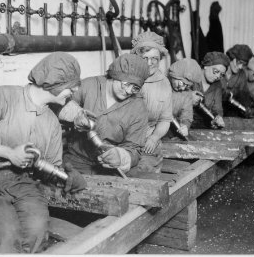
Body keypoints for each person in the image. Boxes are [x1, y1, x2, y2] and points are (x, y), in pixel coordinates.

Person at [0, 52, 87, 253]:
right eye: (71, 85)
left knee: (36, 230)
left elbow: (49, 166)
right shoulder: (3, 97)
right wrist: (9, 153)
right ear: (53, 83)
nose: (76, 89)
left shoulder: (51, 121)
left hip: (21, 181)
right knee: (4, 238)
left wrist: (67, 176)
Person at [63, 53, 150, 176]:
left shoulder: (138, 107)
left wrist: (121, 156)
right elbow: (59, 103)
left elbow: (135, 148)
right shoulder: (89, 86)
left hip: (108, 168)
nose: (129, 91)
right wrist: (75, 114)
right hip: (76, 160)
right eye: (127, 84)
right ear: (115, 75)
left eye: (135, 87)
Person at [129, 31, 172, 173]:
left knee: (146, 172)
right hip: (125, 139)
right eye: (144, 58)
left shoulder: (164, 83)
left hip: (149, 141)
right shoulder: (126, 78)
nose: (149, 63)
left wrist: (154, 138)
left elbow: (165, 119)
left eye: (154, 59)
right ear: (136, 57)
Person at [192, 52, 230, 129]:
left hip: (202, 126)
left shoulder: (217, 85)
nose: (217, 76)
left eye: (221, 74)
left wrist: (217, 118)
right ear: (206, 66)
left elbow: (217, 109)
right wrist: (188, 97)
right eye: (216, 71)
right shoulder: (191, 76)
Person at [167, 58, 203, 138]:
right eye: (182, 83)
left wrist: (185, 126)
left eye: (187, 86)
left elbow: (186, 116)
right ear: (174, 75)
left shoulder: (186, 94)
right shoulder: (161, 84)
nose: (183, 88)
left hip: (170, 131)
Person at [222, 44, 254, 117]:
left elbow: (245, 95)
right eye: (239, 63)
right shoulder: (219, 70)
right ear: (231, 58)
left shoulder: (241, 75)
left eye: (244, 64)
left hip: (231, 112)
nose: (240, 67)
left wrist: (247, 107)